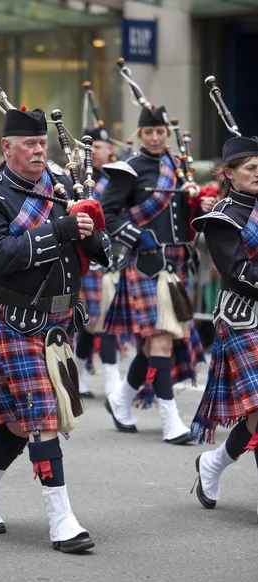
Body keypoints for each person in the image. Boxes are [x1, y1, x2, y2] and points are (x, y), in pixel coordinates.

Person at [0, 107, 110, 553]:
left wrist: (91, 232)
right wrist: (60, 228)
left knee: (21, 423)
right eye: (29, 145)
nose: (39, 151)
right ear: (7, 147)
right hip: (16, 321)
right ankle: (62, 520)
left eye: (43, 144)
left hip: (58, 323)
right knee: (43, 418)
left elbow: (101, 249)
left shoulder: (58, 184)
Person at [101, 105, 210, 444]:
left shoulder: (178, 168)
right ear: (139, 134)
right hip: (146, 264)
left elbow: (183, 214)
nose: (154, 137)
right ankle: (170, 420)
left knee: (153, 344)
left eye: (160, 132)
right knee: (161, 339)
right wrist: (136, 236)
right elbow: (107, 214)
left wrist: (200, 206)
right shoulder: (128, 170)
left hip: (177, 263)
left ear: (166, 134)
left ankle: (120, 400)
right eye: (148, 132)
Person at [190, 136, 258, 510]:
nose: (257, 174)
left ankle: (213, 462)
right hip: (242, 319)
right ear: (229, 174)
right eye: (251, 168)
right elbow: (238, 274)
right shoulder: (220, 219)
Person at [74, 125, 121, 401]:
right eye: (101, 147)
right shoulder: (78, 179)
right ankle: (113, 380)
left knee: (97, 323)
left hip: (111, 256)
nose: (108, 151)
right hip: (89, 259)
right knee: (98, 323)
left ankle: (77, 377)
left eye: (106, 147)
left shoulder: (113, 179)